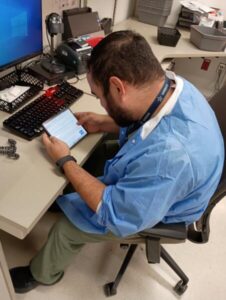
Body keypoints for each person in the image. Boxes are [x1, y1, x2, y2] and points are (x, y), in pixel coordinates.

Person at [10, 30, 224, 293]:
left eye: (100, 96)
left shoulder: (169, 157)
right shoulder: (172, 85)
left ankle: (42, 274)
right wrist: (104, 122)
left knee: (66, 230)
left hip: (167, 207)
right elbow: (149, 121)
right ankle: (66, 196)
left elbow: (114, 212)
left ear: (118, 87)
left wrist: (66, 160)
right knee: (103, 150)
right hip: (177, 174)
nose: (100, 102)